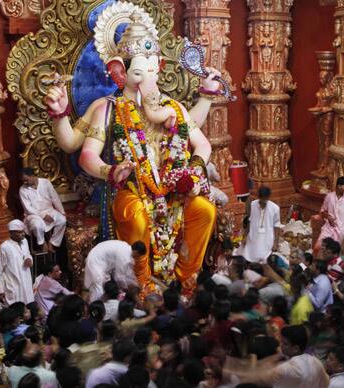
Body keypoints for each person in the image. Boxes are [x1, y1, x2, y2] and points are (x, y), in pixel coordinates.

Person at [44, 6, 221, 292]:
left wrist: (194, 170)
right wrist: (110, 168)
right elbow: (80, 150)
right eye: (140, 72)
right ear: (119, 72)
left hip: (173, 192)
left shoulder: (172, 107)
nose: (149, 79)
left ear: (160, 67)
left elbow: (200, 142)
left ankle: (186, 280)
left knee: (204, 210)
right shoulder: (107, 108)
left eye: (153, 69)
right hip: (132, 191)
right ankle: (142, 284)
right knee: (136, 214)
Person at [224, 325, 329, 387]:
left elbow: (259, 377)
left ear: (295, 348)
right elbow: (326, 383)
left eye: (285, 343)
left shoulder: (290, 368)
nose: (281, 345)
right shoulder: (315, 361)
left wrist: (231, 372)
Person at [19, 168, 66, 253]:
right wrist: (43, 216)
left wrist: (62, 212)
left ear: (32, 176)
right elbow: (28, 208)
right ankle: (42, 243)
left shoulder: (45, 183)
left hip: (49, 210)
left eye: (26, 180)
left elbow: (54, 198)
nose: (24, 183)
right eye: (23, 181)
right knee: (37, 225)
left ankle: (52, 242)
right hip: (33, 214)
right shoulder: (22, 189)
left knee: (62, 220)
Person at [0, 220, 34, 306]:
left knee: (29, 309)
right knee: (16, 311)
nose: (23, 234)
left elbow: (28, 254)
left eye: (23, 231)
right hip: (14, 285)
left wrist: (29, 259)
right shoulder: (4, 247)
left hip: (26, 281)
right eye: (19, 232)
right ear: (11, 233)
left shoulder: (25, 242)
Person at [237, 186, 282, 263]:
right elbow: (249, 221)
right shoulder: (253, 205)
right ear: (258, 196)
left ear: (268, 197)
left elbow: (277, 225)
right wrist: (245, 236)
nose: (263, 201)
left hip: (267, 237)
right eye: (261, 199)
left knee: (264, 259)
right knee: (249, 255)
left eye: (265, 199)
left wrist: (276, 242)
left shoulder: (275, 208)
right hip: (254, 235)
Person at [314, 177, 344, 251]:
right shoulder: (329, 196)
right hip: (329, 227)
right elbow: (322, 210)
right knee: (319, 247)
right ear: (339, 186)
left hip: (342, 229)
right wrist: (329, 218)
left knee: (335, 250)